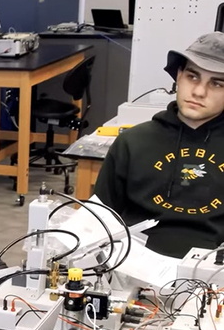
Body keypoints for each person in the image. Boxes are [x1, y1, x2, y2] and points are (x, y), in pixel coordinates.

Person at [94, 32, 224, 258]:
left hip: (213, 274)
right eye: (192, 76)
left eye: (216, 83)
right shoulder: (133, 143)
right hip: (132, 268)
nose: (199, 92)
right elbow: (98, 221)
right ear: (178, 76)